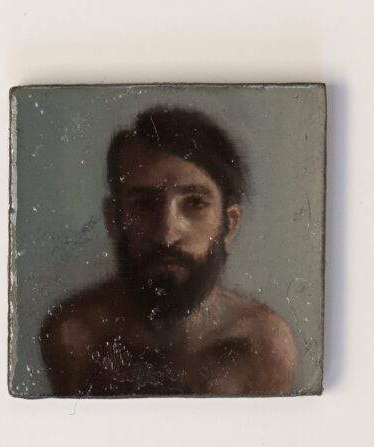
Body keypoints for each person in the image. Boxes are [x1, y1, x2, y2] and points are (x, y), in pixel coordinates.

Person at [41, 106, 297, 397]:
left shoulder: (263, 345)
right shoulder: (74, 335)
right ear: (114, 219)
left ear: (230, 224)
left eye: (195, 204)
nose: (166, 235)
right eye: (144, 204)